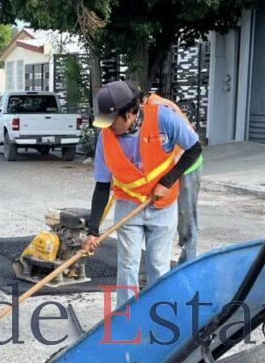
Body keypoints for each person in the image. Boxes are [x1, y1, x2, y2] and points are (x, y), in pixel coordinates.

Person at [82, 80, 203, 307]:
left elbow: (194, 149)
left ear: (129, 113)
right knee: (127, 264)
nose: (108, 128)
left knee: (158, 264)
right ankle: (125, 319)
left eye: (112, 121)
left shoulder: (163, 118)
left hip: (163, 204)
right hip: (129, 205)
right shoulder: (105, 139)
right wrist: (93, 231)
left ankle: (159, 316)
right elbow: (101, 186)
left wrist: (167, 181)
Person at [144, 90, 203, 263]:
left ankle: (188, 262)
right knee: (165, 214)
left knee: (186, 214)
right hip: (169, 169)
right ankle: (156, 261)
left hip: (187, 165)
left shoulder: (159, 108)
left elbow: (189, 147)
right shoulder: (146, 109)